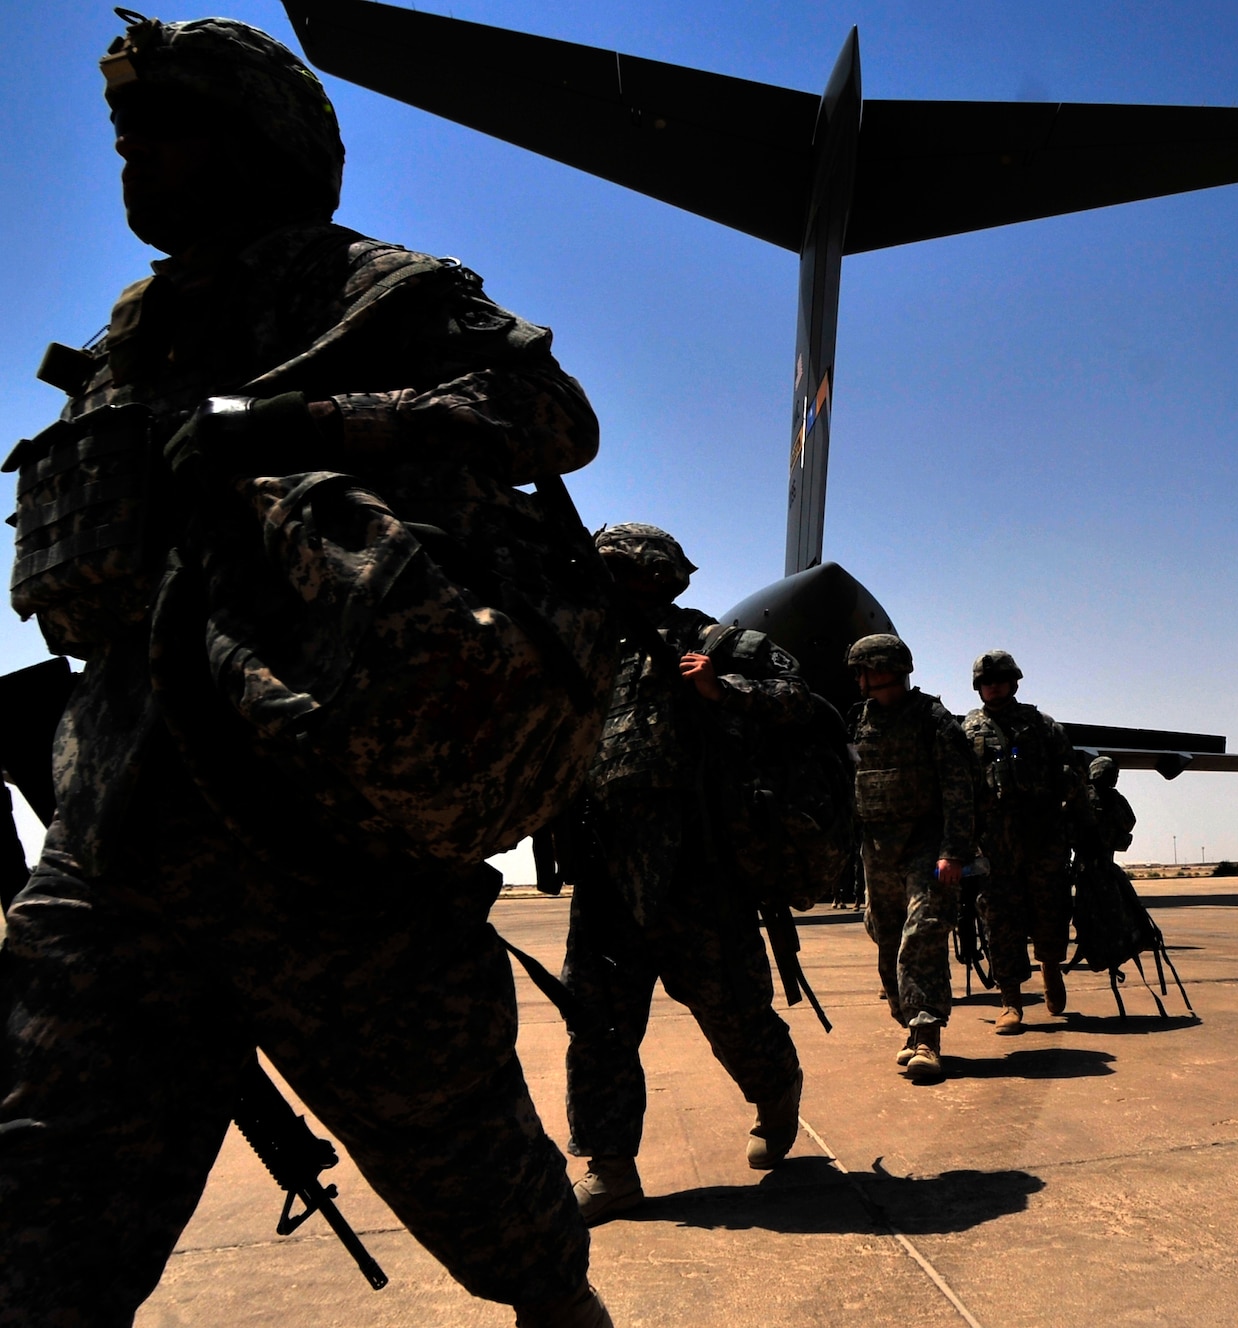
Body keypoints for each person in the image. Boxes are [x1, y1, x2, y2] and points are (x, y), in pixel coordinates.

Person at [0, 15, 612, 1325]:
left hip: (331, 853)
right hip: (116, 849)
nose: (132, 163)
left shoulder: (380, 290)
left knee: (498, 1215)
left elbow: (551, 418)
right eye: (122, 138)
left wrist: (295, 423)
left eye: (160, 136)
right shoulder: (131, 332)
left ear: (257, 147)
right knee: (34, 1237)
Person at [562, 526, 812, 1224]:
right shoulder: (586, 650)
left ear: (656, 575)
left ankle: (775, 1087)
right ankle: (610, 1170)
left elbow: (803, 700)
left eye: (621, 570)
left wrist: (723, 690)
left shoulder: (721, 642)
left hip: (698, 871)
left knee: (730, 1012)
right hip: (608, 871)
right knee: (598, 1025)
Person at [848, 634, 977, 1081]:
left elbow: (959, 791)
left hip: (926, 847)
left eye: (864, 669)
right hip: (877, 849)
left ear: (885, 669)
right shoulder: (858, 722)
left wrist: (953, 852)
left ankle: (927, 1037)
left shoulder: (933, 720)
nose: (860, 678)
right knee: (886, 936)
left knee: (921, 935)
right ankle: (908, 1025)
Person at [963, 650, 1087, 1031]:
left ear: (1014, 682)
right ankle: (1011, 1001)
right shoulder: (966, 732)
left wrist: (1077, 828)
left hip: (1042, 837)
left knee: (1051, 911)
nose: (994, 685)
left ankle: (1051, 967)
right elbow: (957, 787)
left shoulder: (1042, 726)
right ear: (978, 687)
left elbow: (1072, 776)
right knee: (1000, 921)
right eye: (987, 680)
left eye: (1000, 678)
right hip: (994, 844)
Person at [1085, 755, 1137, 855]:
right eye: (1112, 773)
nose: (1116, 777)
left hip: (1107, 855)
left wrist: (1114, 809)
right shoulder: (1084, 794)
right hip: (1086, 857)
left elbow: (1130, 823)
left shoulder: (1115, 797)